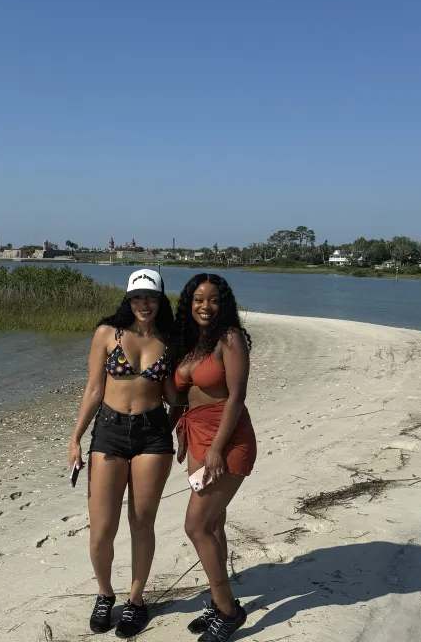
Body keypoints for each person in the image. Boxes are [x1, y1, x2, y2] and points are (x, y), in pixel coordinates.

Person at [69, 269, 175, 638]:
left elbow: (174, 396)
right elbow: (95, 389)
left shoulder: (171, 339)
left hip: (153, 435)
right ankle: (104, 593)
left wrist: (189, 426)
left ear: (161, 300)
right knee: (101, 529)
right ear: (127, 300)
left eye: (151, 297)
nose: (144, 304)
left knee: (142, 522)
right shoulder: (106, 334)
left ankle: (135, 600)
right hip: (109, 433)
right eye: (137, 297)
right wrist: (75, 438)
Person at [169, 273, 256, 642]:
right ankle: (220, 599)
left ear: (224, 304)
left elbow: (236, 397)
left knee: (196, 526)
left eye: (214, 300)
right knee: (215, 525)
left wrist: (217, 449)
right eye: (199, 299)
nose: (206, 306)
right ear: (189, 303)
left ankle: (228, 611)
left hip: (227, 439)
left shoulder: (229, 339)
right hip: (197, 437)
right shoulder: (191, 343)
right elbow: (180, 398)